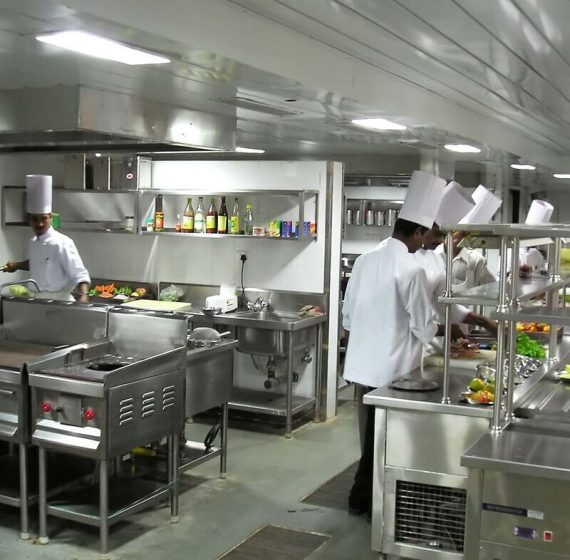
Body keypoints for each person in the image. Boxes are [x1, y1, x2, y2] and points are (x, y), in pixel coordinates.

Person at [342, 170, 445, 515]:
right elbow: (423, 327)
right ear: (417, 232)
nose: (425, 242)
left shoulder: (364, 260)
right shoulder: (411, 270)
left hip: (360, 369)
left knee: (370, 438)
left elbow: (348, 318)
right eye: (426, 234)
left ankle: (363, 499)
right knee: (387, 442)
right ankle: (374, 504)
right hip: (394, 373)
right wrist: (440, 330)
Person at [3, 175, 90, 302]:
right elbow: (37, 263)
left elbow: (79, 274)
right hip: (36, 301)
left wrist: (83, 296)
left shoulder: (63, 243)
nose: (39, 224)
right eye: (34, 219)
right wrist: (16, 265)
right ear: (29, 220)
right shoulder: (33, 242)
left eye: (43, 218)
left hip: (59, 303)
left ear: (50, 217)